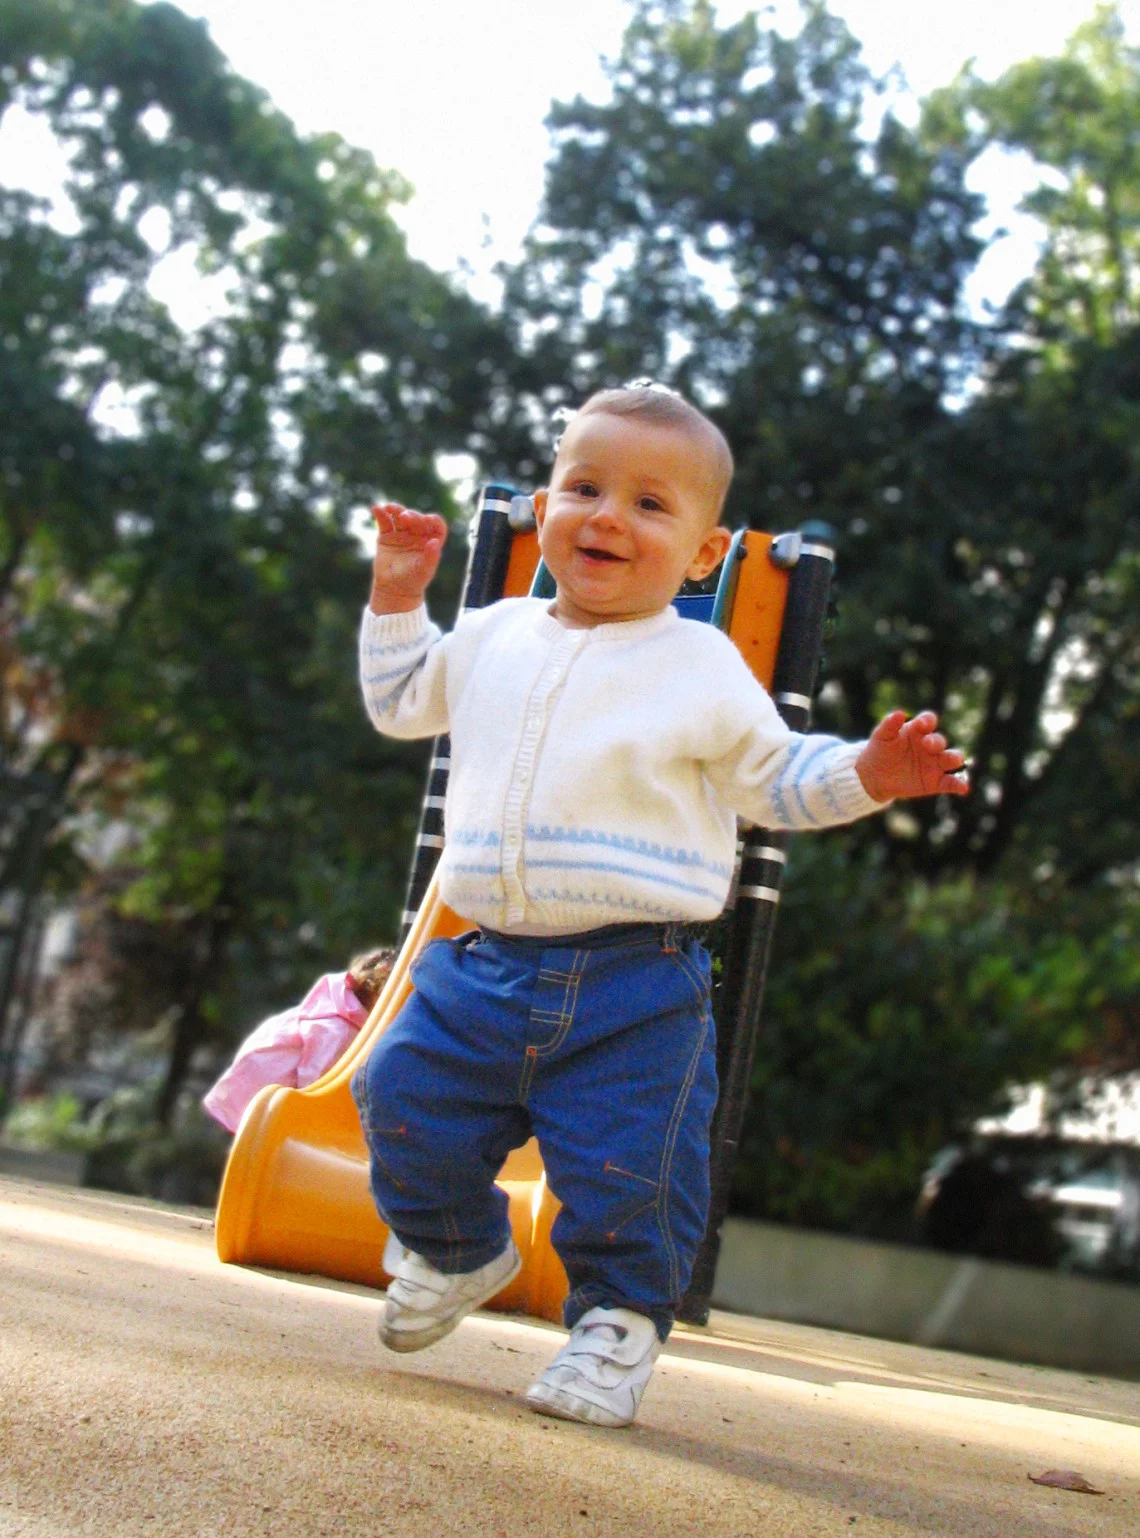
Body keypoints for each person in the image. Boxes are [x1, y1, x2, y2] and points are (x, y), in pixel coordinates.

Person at [352, 384, 969, 1428]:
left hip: (635, 979)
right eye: (585, 486)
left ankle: (616, 1327)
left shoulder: (700, 664)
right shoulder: (493, 633)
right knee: (399, 1095)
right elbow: (402, 700)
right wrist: (399, 595)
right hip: (480, 961)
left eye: (649, 504)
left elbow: (775, 778)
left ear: (700, 552)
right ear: (544, 507)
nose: (606, 516)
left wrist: (869, 772)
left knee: (632, 1171)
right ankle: (458, 1244)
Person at [204, 948, 394, 1134]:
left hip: (246, 1081)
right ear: (379, 994)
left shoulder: (334, 1002)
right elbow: (315, 1085)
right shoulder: (340, 1030)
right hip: (263, 1098)